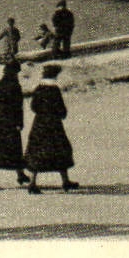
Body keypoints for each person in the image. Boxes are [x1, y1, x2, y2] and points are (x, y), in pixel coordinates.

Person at [25, 63, 78, 192]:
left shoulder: (38, 88)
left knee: (37, 151)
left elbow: (33, 107)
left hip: (39, 123)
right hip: (54, 124)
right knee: (60, 150)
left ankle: (32, 183)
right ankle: (65, 181)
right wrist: (61, 114)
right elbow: (61, 109)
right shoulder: (54, 90)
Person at [0, 62, 29, 190]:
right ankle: (20, 174)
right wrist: (20, 122)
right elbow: (18, 106)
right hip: (10, 120)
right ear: (15, 73)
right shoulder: (15, 86)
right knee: (14, 148)